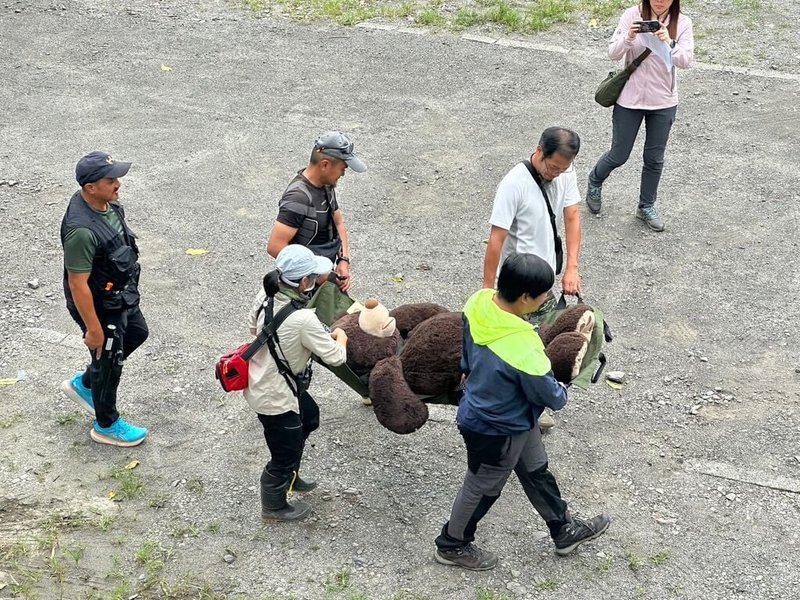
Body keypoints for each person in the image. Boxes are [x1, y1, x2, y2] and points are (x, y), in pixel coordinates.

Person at [434, 253, 610, 571]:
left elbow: (467, 342)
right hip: (496, 427)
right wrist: (566, 384)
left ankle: (563, 529)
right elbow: (552, 397)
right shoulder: (524, 347)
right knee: (482, 485)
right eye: (543, 294)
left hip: (504, 414)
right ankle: (452, 543)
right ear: (526, 297)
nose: (547, 299)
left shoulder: (479, 301)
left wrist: (466, 368)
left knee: (536, 469)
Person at [482, 127, 584, 430]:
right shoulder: (514, 183)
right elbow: (496, 238)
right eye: (552, 167)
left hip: (544, 283)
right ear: (538, 150)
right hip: (519, 283)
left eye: (563, 169)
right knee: (518, 348)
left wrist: (572, 268)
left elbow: (573, 216)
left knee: (540, 343)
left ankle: (530, 402)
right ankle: (520, 408)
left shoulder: (566, 173)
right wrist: (487, 290)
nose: (556, 174)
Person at [245, 244, 349, 521]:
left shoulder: (265, 295)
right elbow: (336, 357)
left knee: (310, 417)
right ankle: (274, 507)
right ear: (304, 282)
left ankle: (292, 473)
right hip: (275, 397)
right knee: (282, 454)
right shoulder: (304, 318)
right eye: (313, 276)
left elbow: (254, 331)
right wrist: (341, 336)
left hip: (268, 379)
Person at [59, 151, 149, 447]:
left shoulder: (105, 204)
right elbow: (77, 284)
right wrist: (94, 329)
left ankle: (85, 384)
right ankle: (106, 425)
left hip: (118, 298)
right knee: (109, 359)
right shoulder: (81, 231)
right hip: (99, 307)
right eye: (110, 180)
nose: (118, 184)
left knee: (137, 332)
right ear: (90, 187)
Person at [586, 0, 694, 232]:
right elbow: (612, 53)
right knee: (619, 154)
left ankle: (646, 206)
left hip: (663, 102)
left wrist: (669, 41)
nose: (660, 0)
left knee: (654, 159)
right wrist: (629, 37)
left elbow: (686, 61)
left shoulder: (683, 23)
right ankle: (595, 180)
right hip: (629, 99)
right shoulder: (631, 15)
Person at [266, 131, 367, 294]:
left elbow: (338, 222)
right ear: (325, 165)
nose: (343, 173)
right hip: (305, 286)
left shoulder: (325, 184)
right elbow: (275, 247)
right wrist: (316, 274)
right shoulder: (298, 198)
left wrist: (343, 261)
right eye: (343, 168)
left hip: (325, 276)